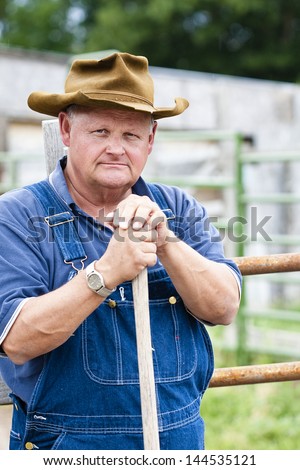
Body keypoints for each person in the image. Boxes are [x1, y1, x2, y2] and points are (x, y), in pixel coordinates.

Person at [0, 52, 241, 450]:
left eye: (130, 135)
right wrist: (106, 272)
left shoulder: (177, 207)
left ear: (150, 139)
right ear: (65, 129)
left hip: (177, 442)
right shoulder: (17, 215)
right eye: (100, 132)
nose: (116, 148)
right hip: (65, 446)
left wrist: (166, 241)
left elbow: (224, 307)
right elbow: (18, 340)